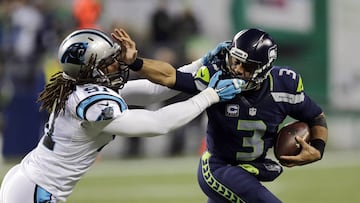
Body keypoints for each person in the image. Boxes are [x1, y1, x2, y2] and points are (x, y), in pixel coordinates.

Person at [0, 28, 245, 203]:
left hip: (29, 181)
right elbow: (157, 123)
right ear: (90, 69)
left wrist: (201, 62)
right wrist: (210, 96)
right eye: (110, 62)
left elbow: (153, 91)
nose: (117, 64)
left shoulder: (81, 87)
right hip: (35, 190)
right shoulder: (89, 100)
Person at [121, 28, 328, 203]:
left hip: (251, 168)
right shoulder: (217, 76)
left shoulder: (285, 86)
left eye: (246, 66)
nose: (236, 69)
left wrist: (318, 149)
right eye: (234, 60)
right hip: (218, 167)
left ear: (264, 69)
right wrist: (136, 62)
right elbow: (170, 76)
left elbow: (316, 117)